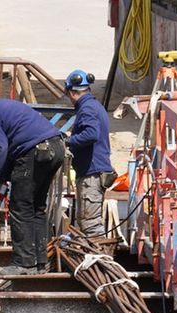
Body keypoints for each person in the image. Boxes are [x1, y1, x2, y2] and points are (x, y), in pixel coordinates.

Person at [0, 78, 66, 271]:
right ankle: (40, 262)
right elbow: (10, 148)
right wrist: (1, 176)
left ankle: (24, 264)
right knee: (36, 207)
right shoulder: (1, 105)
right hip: (54, 147)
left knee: (20, 206)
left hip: (34, 151)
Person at [64, 69, 117, 240]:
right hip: (92, 171)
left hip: (92, 173)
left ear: (72, 92)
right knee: (86, 222)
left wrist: (69, 141)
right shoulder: (94, 106)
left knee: (90, 225)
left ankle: (100, 256)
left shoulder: (87, 109)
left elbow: (91, 134)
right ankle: (96, 254)